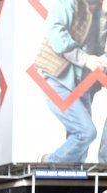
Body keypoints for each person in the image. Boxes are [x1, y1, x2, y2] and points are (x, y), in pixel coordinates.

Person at [35, 0, 107, 163]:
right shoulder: (70, 3)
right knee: (86, 133)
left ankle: (72, 186)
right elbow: (55, 32)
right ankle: (49, 162)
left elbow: (99, 49)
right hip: (58, 80)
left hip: (82, 86)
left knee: (80, 151)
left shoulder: (101, 12)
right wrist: (85, 59)